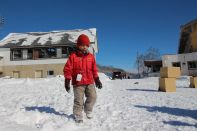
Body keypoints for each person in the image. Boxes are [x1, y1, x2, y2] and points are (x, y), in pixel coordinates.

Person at [63, 34, 102, 123]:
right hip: (78, 83)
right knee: (79, 100)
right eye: (82, 45)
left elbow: (94, 69)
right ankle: (78, 114)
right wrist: (67, 80)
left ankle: (88, 110)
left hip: (89, 81)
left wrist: (97, 79)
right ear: (78, 45)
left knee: (93, 96)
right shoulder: (73, 56)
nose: (84, 47)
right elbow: (67, 69)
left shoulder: (91, 57)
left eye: (86, 45)